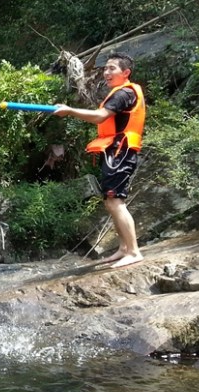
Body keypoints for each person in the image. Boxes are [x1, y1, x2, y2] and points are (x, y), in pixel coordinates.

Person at [54, 53, 146, 269]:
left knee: (115, 202)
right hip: (116, 152)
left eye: (112, 68)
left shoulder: (123, 93)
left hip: (120, 151)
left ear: (126, 73)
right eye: (105, 68)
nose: (106, 72)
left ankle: (133, 251)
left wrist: (69, 111)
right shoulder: (121, 92)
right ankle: (124, 248)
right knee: (110, 202)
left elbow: (100, 116)